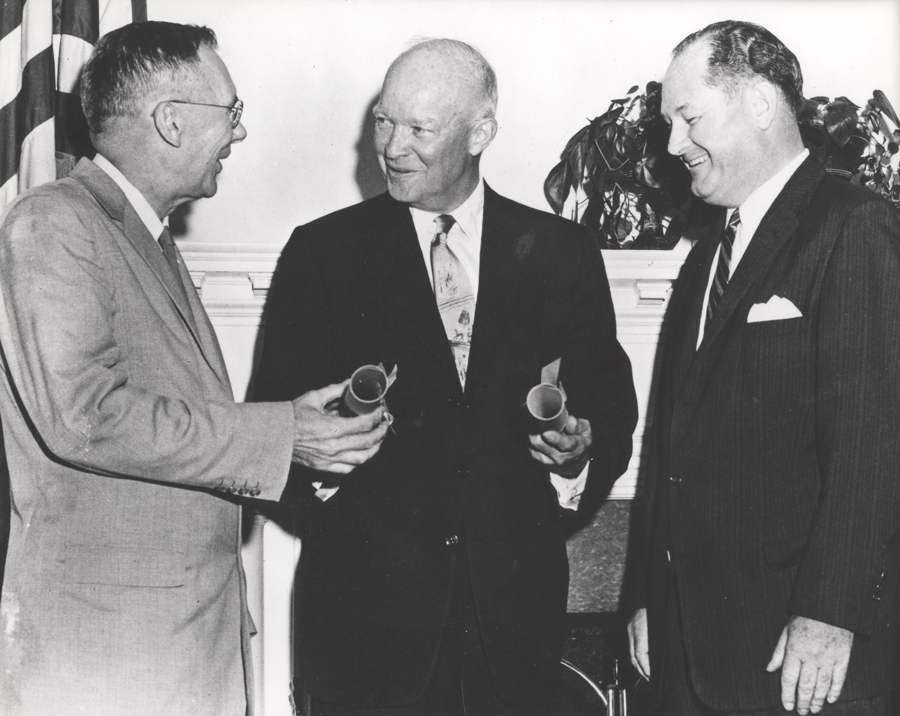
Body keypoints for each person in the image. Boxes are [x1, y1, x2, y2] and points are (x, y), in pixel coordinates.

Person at [0, 21, 387, 716]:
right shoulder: (54, 222)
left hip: (178, 645)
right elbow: (86, 415)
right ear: (171, 121)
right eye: (230, 111)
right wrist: (282, 435)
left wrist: (298, 437)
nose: (240, 132)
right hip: (110, 657)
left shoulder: (145, 238)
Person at [254, 38, 638, 716]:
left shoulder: (564, 253)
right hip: (365, 634)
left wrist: (577, 456)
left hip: (513, 634)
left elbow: (608, 409)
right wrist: (328, 472)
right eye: (383, 121)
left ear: (480, 133)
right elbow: (271, 430)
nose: (391, 146)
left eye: (419, 129)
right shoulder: (322, 252)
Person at [626, 20, 900, 716]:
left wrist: (831, 611)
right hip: (691, 648)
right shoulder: (704, 260)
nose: (673, 145)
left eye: (689, 119)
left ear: (759, 103)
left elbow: (872, 443)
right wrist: (649, 597)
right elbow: (672, 447)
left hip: (800, 657)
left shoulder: (856, 225)